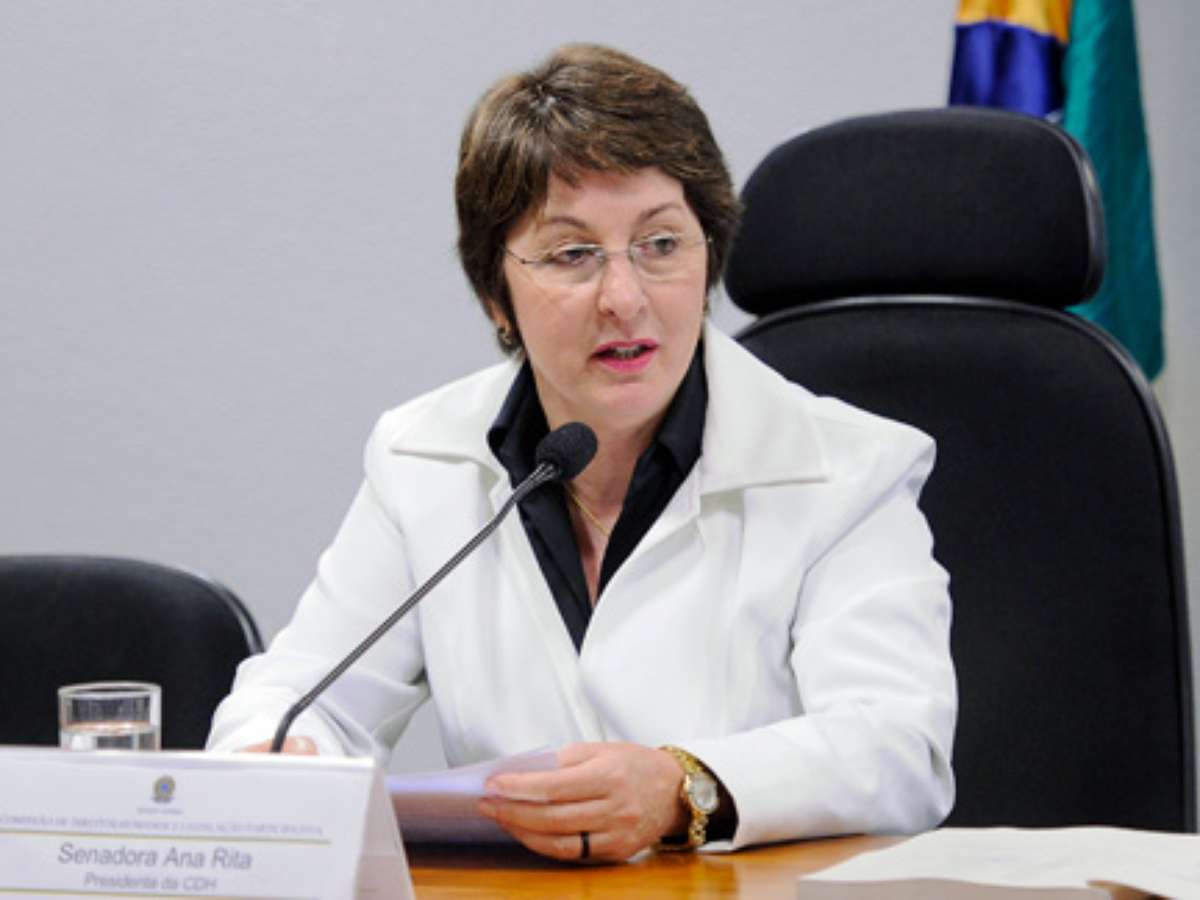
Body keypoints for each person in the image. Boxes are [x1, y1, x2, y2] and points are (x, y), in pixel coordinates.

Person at [207, 43, 956, 862]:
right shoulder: (423, 456)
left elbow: (898, 748)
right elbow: (301, 692)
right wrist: (277, 756)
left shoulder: (848, 469)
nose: (624, 298)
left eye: (661, 244)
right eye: (572, 254)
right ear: (495, 294)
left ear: (708, 255)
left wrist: (685, 786)